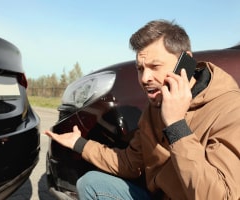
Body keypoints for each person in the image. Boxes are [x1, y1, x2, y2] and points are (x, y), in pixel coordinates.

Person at [45, 19, 240, 199]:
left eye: (155, 66)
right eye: (140, 68)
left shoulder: (230, 109)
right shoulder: (154, 108)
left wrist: (176, 126)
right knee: (91, 184)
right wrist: (79, 144)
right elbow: (130, 163)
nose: (144, 78)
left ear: (185, 62)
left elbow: (220, 196)